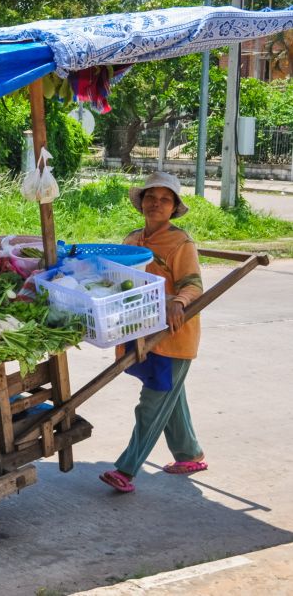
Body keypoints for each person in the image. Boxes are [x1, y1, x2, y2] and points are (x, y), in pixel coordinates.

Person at [99, 171, 207, 494]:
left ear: (174, 207)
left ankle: (126, 470)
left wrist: (180, 302)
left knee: (152, 403)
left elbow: (193, 284)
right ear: (141, 202)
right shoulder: (133, 240)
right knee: (170, 396)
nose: (155, 204)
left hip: (171, 337)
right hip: (141, 332)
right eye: (150, 197)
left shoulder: (181, 243)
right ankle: (190, 454)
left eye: (164, 199)